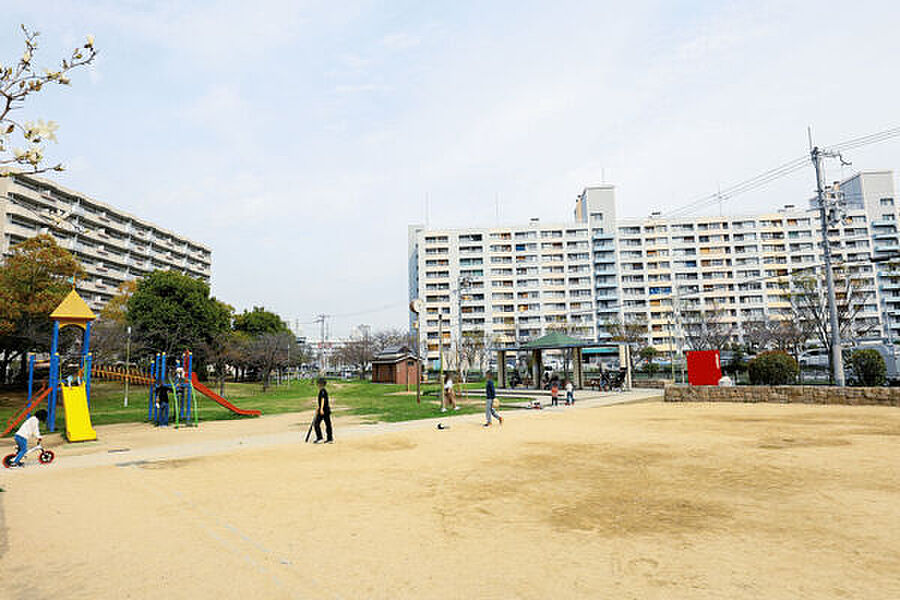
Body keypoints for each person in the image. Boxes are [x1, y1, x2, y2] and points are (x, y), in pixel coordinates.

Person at [313, 377, 334, 444]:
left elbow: (323, 400)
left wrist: (321, 409)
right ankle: (328, 438)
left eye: (318, 383)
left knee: (317, 424)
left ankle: (323, 438)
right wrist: (318, 408)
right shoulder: (322, 391)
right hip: (324, 409)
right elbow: (320, 401)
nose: (318, 385)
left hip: (324, 410)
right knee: (325, 424)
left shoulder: (323, 391)